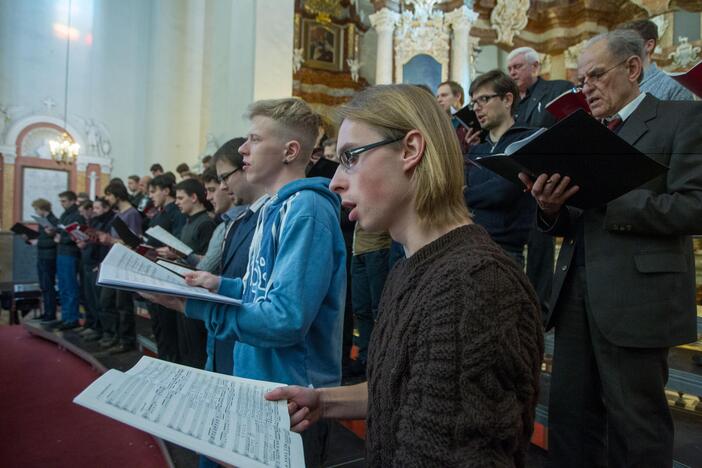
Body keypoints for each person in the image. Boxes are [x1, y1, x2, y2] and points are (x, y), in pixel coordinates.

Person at [265, 85, 543, 466]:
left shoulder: (474, 286)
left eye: (351, 158)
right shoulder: (413, 267)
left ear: (410, 150)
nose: (334, 182)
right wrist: (325, 401)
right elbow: (405, 384)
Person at [519, 30, 702, 467]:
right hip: (576, 293)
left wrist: (609, 194)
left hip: (637, 297)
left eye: (595, 77)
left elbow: (695, 207)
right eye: (581, 81)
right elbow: (574, 218)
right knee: (569, 419)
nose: (586, 90)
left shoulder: (681, 119)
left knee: (635, 427)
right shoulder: (585, 134)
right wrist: (549, 206)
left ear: (633, 68)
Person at [143, 98, 347, 466]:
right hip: (258, 379)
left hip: (292, 395)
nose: (242, 148)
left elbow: (285, 319)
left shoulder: (306, 209)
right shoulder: (272, 208)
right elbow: (260, 291)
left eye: (254, 139)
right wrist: (218, 285)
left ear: (290, 150)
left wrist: (190, 304)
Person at [507, 46, 574, 315]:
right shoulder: (511, 102)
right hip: (515, 183)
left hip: (544, 182)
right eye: (510, 69)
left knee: (539, 249)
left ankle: (540, 308)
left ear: (535, 67)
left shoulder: (558, 89)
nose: (512, 72)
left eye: (517, 67)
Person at [464, 70, 536, 266]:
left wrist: (465, 195)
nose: (477, 108)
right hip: (469, 244)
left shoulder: (527, 140)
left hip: (506, 250)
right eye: (474, 103)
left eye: (484, 99)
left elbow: (503, 192)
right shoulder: (477, 149)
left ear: (507, 99)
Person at [144, 174, 186, 362]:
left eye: (154, 191)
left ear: (166, 191)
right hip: (154, 266)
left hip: (168, 271)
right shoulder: (158, 213)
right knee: (158, 323)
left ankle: (170, 361)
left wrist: (167, 251)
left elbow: (178, 245)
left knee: (168, 326)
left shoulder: (176, 213)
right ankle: (162, 358)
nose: (150, 196)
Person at [98, 181, 143, 353]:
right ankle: (116, 336)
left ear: (117, 195)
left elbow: (133, 243)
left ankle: (126, 340)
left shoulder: (132, 214)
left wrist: (111, 240)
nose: (107, 199)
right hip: (115, 262)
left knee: (123, 305)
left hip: (125, 264)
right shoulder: (120, 213)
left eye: (109, 195)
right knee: (110, 302)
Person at [621, 19, 695, 101]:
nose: (623, 49)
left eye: (630, 43)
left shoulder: (674, 86)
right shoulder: (619, 84)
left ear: (649, 45)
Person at [80, 197, 115, 342]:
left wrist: (100, 263)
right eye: (93, 208)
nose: (94, 211)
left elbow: (106, 246)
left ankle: (105, 331)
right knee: (91, 298)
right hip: (88, 262)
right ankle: (96, 326)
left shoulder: (110, 221)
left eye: (97, 208)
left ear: (106, 208)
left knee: (102, 302)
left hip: (99, 263)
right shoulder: (95, 221)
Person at [51, 190, 84, 330]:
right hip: (61, 253)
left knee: (70, 286)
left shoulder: (77, 216)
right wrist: (53, 232)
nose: (62, 203)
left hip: (70, 254)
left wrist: (61, 238)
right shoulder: (64, 214)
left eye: (64, 201)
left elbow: (77, 236)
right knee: (63, 286)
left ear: (72, 201)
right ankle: (65, 317)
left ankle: (72, 318)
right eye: (61, 201)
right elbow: (61, 230)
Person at [31, 198, 59, 325]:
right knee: (43, 286)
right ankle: (46, 312)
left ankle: (50, 313)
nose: (36, 212)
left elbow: (54, 241)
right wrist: (29, 239)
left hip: (49, 256)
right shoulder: (42, 222)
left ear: (43, 209)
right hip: (42, 255)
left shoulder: (53, 221)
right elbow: (42, 238)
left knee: (48, 285)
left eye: (36, 209)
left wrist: (38, 242)